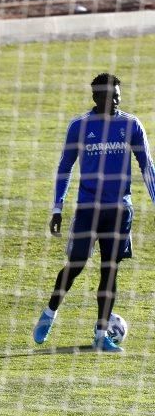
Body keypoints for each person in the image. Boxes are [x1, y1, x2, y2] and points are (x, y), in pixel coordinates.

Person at [33, 73, 155, 352]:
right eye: (112, 96)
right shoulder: (79, 126)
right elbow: (65, 167)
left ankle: (101, 334)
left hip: (119, 210)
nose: (117, 101)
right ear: (97, 98)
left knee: (110, 270)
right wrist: (57, 208)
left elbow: (147, 166)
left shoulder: (131, 125)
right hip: (88, 209)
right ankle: (50, 312)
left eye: (119, 96)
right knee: (76, 265)